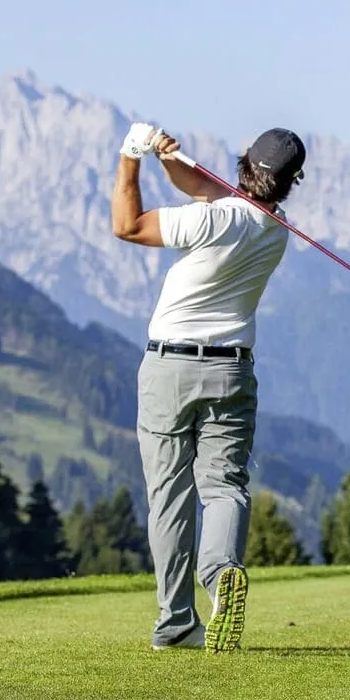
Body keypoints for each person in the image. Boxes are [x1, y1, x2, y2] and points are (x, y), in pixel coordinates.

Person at [110, 121, 306, 651]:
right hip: (232, 372)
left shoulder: (209, 222)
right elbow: (210, 190)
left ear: (244, 162)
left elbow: (126, 226)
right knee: (223, 486)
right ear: (292, 181)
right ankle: (222, 579)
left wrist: (131, 155)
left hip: (169, 370)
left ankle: (176, 623)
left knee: (169, 496)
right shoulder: (277, 229)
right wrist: (170, 158)